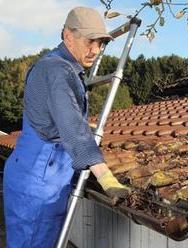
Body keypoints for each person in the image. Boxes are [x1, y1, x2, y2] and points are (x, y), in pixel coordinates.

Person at [3, 6, 129, 248]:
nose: (96, 50)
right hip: (38, 186)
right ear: (68, 36)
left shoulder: (56, 65)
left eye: (101, 43)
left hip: (32, 175)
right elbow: (71, 125)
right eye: (90, 41)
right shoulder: (57, 70)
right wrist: (106, 177)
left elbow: (59, 116)